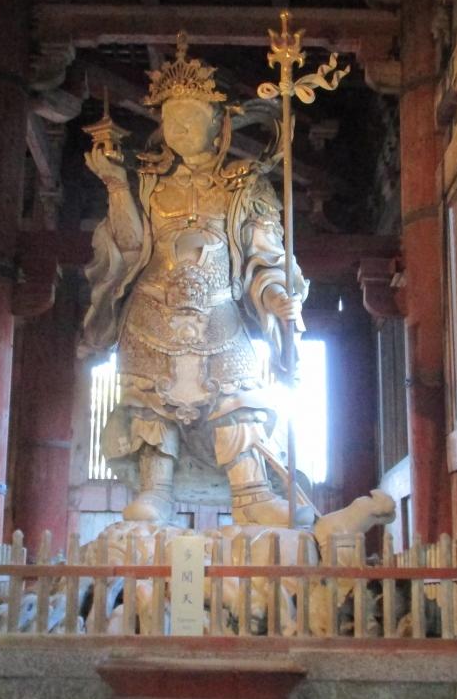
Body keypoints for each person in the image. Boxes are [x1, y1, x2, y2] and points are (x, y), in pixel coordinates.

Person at [80, 35, 310, 527]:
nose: (180, 128)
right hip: (152, 310)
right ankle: (155, 489)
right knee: (150, 400)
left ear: (218, 124)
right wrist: (116, 185)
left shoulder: (245, 185)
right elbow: (128, 245)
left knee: (239, 394)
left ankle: (251, 492)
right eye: (171, 119)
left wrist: (276, 295)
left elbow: (265, 255)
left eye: (191, 118)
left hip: (220, 312)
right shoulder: (145, 181)